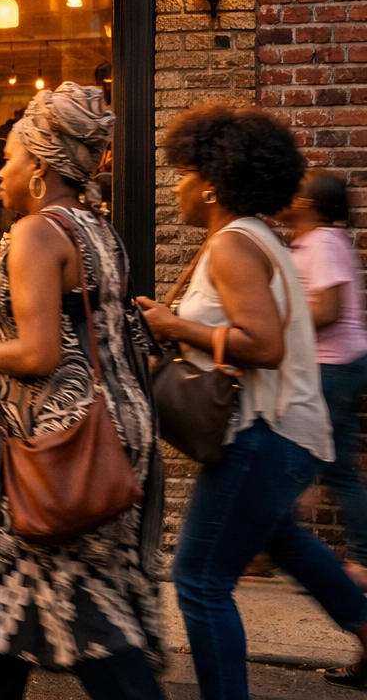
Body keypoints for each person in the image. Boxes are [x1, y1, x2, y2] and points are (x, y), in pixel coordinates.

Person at [136, 103, 367, 698]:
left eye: (184, 173)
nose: (177, 186)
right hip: (285, 432)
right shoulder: (253, 236)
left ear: (211, 182)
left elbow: (261, 344)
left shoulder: (234, 245)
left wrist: (176, 326)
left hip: (264, 434)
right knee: (280, 539)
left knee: (199, 578)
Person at [0, 84, 164, 700]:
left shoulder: (38, 233)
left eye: (10, 159)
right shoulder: (98, 229)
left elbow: (40, 354)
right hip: (108, 425)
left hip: (56, 447)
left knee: (85, 609)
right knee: (13, 600)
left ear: (39, 167)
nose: (2, 171)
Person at [280, 171, 367, 587]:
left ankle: (278, 546)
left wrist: (278, 325)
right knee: (334, 466)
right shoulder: (312, 242)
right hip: (334, 366)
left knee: (300, 458)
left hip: (332, 367)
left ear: (309, 204)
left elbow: (329, 311)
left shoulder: (324, 243)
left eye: (296, 192)